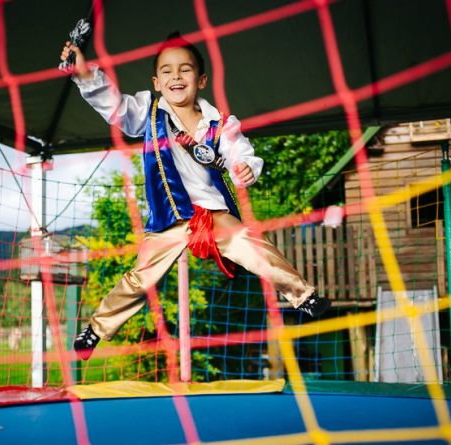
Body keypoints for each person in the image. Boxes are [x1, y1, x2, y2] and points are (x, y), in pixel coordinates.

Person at [60, 33, 331, 360]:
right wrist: (86, 74)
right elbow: (115, 107)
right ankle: (96, 329)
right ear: (157, 82)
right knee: (141, 278)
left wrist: (244, 167)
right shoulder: (149, 110)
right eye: (168, 71)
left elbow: (239, 152)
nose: (176, 76)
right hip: (169, 219)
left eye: (185, 70)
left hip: (212, 215)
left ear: (201, 80)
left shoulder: (220, 123)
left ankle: (304, 296)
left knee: (253, 244)